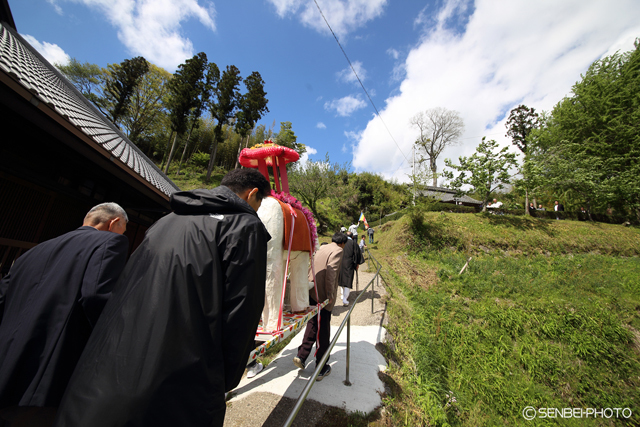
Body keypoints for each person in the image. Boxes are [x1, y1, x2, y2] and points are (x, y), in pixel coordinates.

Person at [53, 169, 272, 427]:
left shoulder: (167, 219)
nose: (256, 209)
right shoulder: (244, 225)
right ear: (252, 193)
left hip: (107, 370)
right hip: (183, 376)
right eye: (258, 204)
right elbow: (242, 310)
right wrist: (224, 378)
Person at [0, 203, 129, 420]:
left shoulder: (35, 251)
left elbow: (3, 298)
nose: (122, 234)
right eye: (123, 229)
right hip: (46, 372)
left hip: (6, 360)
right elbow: (95, 296)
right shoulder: (111, 241)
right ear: (114, 223)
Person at [293, 232, 346, 381]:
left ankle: (302, 355)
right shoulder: (338, 250)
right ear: (343, 243)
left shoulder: (323, 248)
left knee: (312, 323)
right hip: (323, 294)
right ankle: (321, 366)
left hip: (312, 290)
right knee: (323, 329)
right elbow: (332, 272)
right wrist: (330, 295)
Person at [339, 232, 360, 307]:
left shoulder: (341, 242)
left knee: (341, 279)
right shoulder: (353, 243)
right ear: (352, 236)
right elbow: (357, 254)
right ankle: (345, 298)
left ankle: (342, 294)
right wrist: (357, 264)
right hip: (349, 264)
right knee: (348, 280)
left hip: (340, 263)